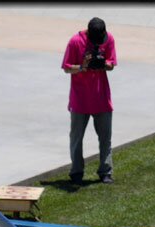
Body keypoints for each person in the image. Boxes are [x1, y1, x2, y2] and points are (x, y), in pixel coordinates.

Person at [62, 17, 117, 184]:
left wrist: (103, 64)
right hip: (80, 99)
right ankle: (77, 172)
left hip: (101, 97)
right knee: (76, 137)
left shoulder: (109, 39)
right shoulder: (75, 41)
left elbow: (111, 64)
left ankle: (105, 171)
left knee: (105, 137)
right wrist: (83, 67)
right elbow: (66, 68)